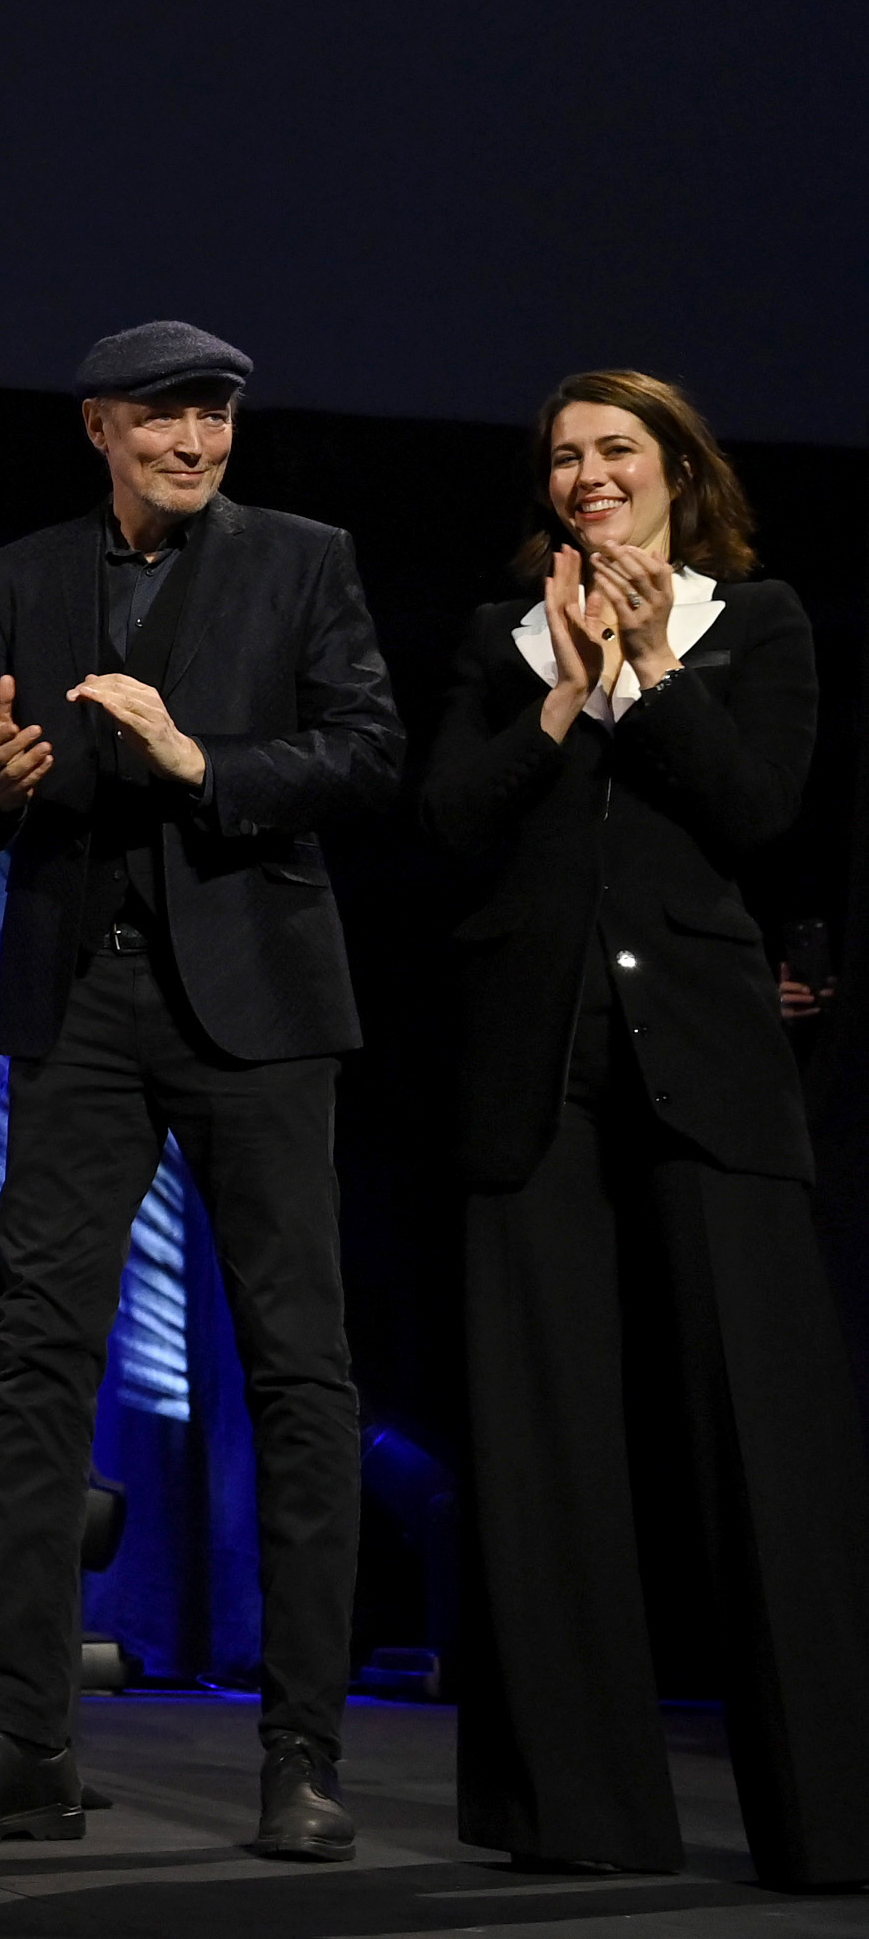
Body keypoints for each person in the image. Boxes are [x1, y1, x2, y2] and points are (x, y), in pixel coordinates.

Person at [0, 322, 400, 1859]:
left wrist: (198, 763)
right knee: (38, 1363)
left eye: (216, 416)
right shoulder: (22, 572)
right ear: (98, 425)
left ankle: (300, 1755)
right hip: (79, 1001)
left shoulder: (303, 560)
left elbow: (367, 753)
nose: (194, 439)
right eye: (165, 415)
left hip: (255, 1006)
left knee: (296, 1372)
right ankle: (21, 1743)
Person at [422, 371, 869, 1887]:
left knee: (762, 1434)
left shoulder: (762, 621)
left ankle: (826, 1824)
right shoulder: (501, 641)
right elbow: (444, 829)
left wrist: (656, 668)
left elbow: (758, 815)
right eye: (561, 454)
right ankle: (580, 1820)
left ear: (678, 469)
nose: (586, 474)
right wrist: (557, 695)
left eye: (615, 449)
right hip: (528, 1077)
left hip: (709, 1070)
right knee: (544, 1443)